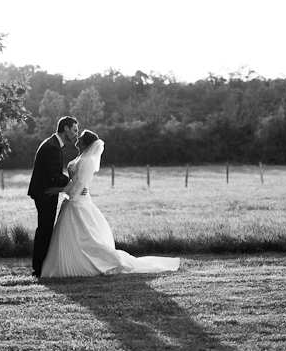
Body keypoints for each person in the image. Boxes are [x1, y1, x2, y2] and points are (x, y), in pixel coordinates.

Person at [41, 130, 180, 278]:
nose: (77, 138)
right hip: (73, 200)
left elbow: (80, 183)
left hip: (78, 202)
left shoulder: (86, 161)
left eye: (80, 137)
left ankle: (105, 261)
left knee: (88, 238)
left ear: (85, 143)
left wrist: (62, 191)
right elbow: (75, 182)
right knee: (75, 236)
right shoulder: (81, 158)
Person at [27, 116, 79, 277]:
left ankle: (40, 266)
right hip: (45, 193)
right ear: (66, 129)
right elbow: (53, 174)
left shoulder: (53, 144)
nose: (76, 134)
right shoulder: (52, 147)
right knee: (45, 229)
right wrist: (73, 181)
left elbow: (53, 174)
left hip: (45, 192)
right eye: (75, 130)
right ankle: (38, 268)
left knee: (45, 228)